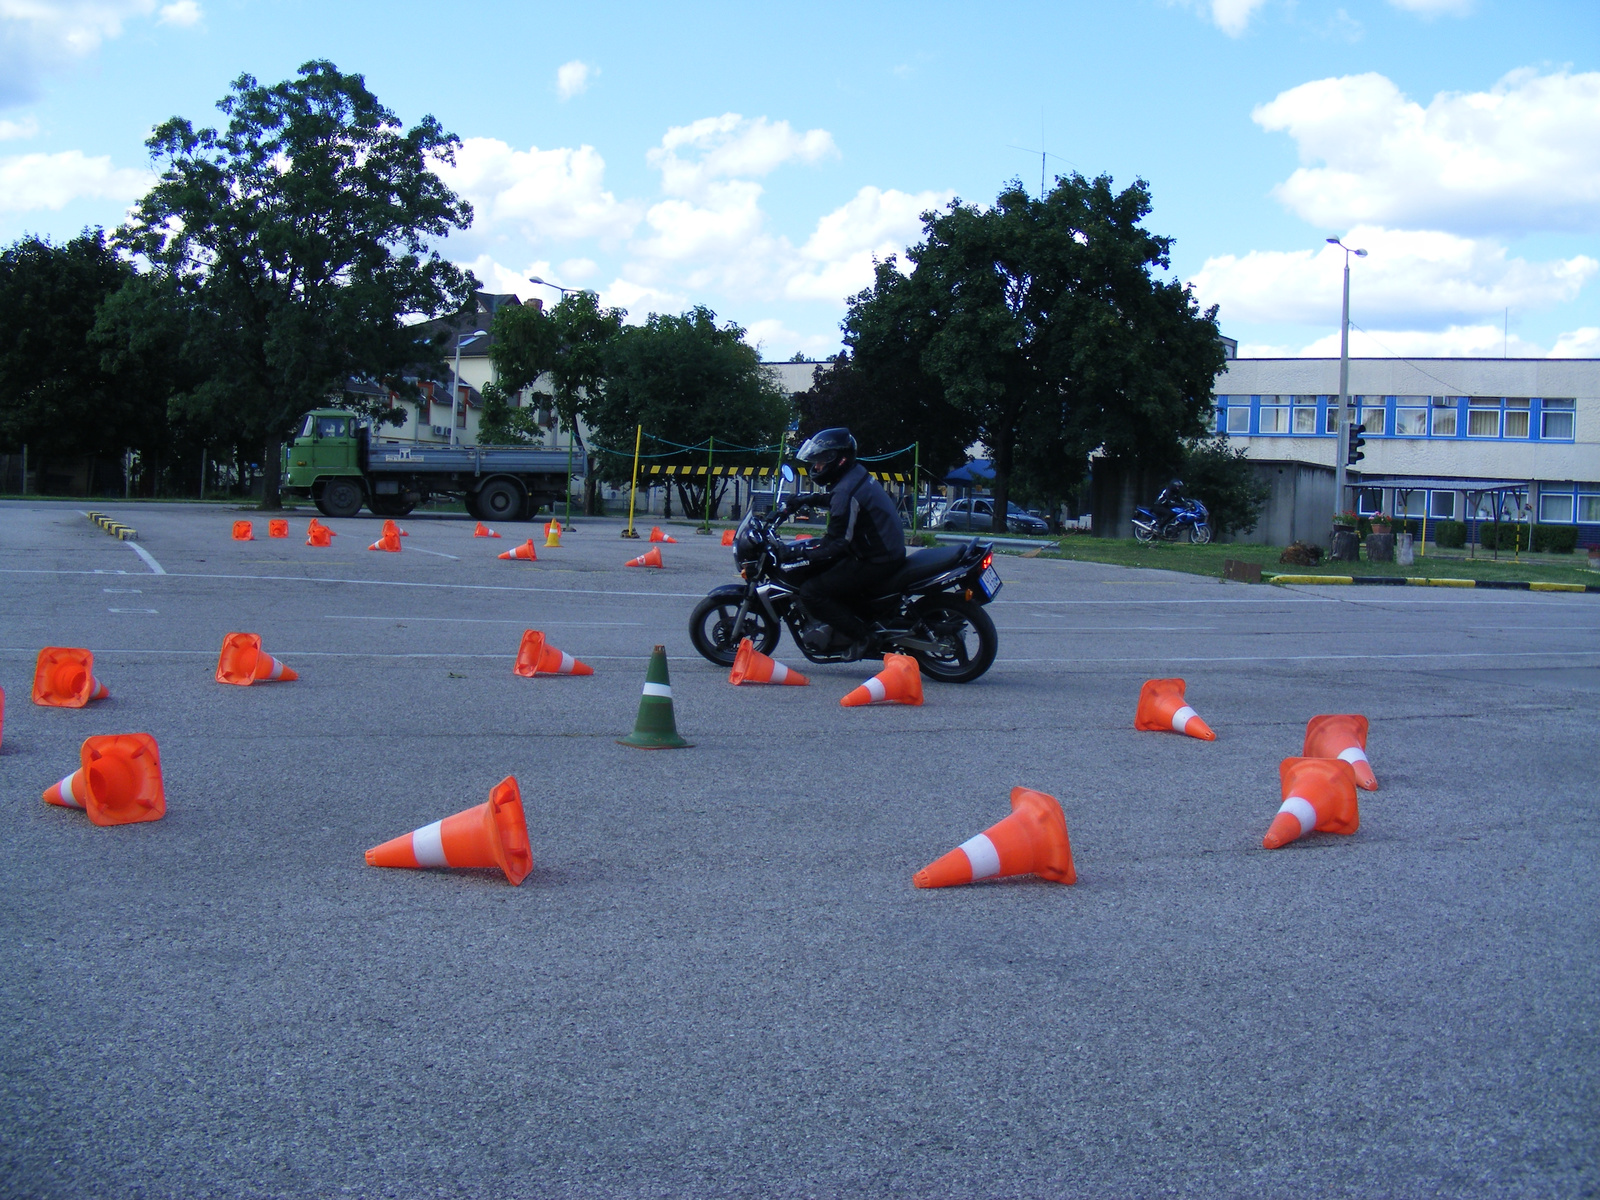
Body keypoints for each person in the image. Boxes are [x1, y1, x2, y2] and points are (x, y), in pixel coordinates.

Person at [784, 427, 906, 659]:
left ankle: (864, 638)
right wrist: (806, 499)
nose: (816, 467)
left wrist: (798, 554)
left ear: (836, 460)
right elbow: (837, 500)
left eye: (820, 461)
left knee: (811, 591)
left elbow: (836, 543)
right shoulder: (854, 475)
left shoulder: (847, 490)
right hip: (882, 550)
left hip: (875, 559)